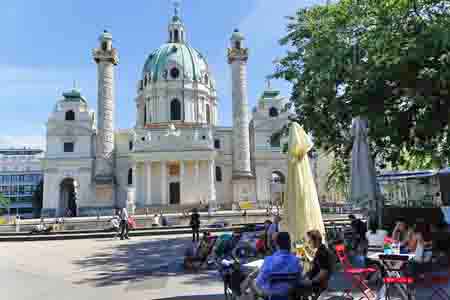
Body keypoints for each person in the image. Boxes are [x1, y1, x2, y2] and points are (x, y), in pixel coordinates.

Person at [241, 232, 302, 299]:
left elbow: (259, 282)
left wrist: (251, 278)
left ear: (276, 245)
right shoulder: (296, 260)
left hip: (273, 296)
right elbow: (298, 279)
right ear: (289, 243)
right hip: (290, 295)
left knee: (251, 283)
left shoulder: (269, 260)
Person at [300, 230, 333, 294]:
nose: (308, 242)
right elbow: (317, 261)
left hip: (318, 286)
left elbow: (324, 272)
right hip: (320, 283)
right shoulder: (322, 250)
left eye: (310, 241)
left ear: (316, 241)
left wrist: (311, 282)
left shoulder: (321, 253)